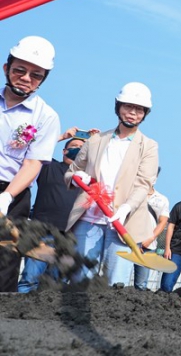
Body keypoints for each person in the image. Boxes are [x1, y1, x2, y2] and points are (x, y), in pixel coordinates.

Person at [65, 82, 159, 285]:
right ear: (118, 107)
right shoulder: (96, 140)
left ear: (145, 113)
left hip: (123, 223)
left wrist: (126, 208)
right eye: (128, 107)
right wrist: (77, 177)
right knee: (81, 279)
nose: (133, 113)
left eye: (139, 109)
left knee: (115, 283)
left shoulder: (149, 146)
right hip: (88, 220)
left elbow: (144, 184)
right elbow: (71, 172)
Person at [0, 36, 60, 292]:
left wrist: (6, 196)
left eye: (36, 75)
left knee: (5, 258)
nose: (26, 78)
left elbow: (33, 163)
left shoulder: (46, 116)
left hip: (12, 192)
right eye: (20, 70)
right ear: (6, 68)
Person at [18, 127, 97, 292]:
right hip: (43, 232)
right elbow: (34, 150)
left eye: (81, 148)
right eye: (73, 146)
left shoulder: (86, 178)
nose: (77, 149)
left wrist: (95, 142)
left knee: (54, 284)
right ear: (64, 151)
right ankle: (18, 313)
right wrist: (62, 136)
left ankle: (43, 316)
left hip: (70, 236)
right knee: (30, 279)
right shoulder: (49, 167)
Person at [133, 167, 170, 290]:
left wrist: (150, 238)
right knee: (118, 280)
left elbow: (163, 222)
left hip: (148, 246)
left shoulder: (162, 199)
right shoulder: (130, 193)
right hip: (126, 242)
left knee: (141, 284)